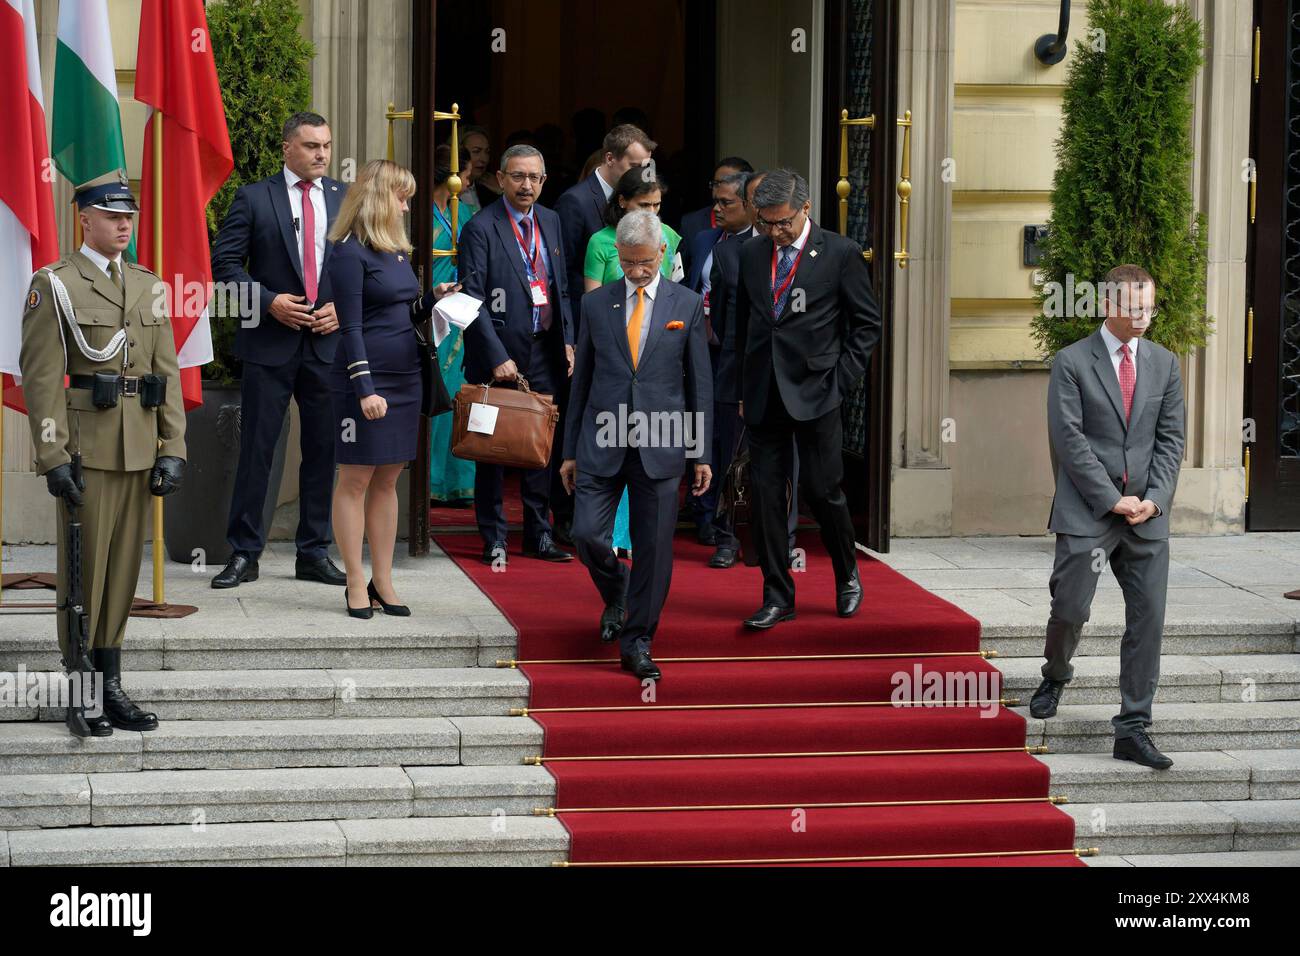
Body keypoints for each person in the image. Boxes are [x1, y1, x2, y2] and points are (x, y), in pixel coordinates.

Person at [20, 169, 186, 736]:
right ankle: (81, 687)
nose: (123, 225)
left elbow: (166, 371)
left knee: (122, 572)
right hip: (87, 449)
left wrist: (174, 446)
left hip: (139, 447)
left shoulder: (148, 284)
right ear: (83, 220)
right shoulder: (56, 283)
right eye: (113, 216)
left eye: (129, 216)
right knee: (84, 572)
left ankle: (110, 682)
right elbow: (41, 378)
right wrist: (53, 455)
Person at [1030, 265, 1185, 771]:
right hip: (1087, 510)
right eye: (1133, 308)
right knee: (1070, 607)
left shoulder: (1165, 364)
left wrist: (1154, 499)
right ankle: (1056, 673)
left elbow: (1170, 441)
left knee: (1150, 618)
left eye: (1149, 307)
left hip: (1146, 515)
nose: (1143, 317)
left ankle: (1133, 726)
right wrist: (1109, 498)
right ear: (1107, 306)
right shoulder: (1072, 361)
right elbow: (1068, 439)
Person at [561, 210, 712, 680]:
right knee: (585, 535)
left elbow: (699, 384)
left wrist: (701, 451)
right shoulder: (595, 304)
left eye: (645, 262)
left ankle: (639, 640)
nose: (638, 272)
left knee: (654, 549)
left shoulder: (685, 304)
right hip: (600, 437)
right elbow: (581, 380)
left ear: (662, 252)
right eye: (629, 263)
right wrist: (568, 450)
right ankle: (617, 590)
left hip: (662, 442)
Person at [734, 169, 880, 629]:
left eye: (783, 223)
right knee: (766, 496)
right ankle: (778, 594)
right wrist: (741, 386)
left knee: (823, 491)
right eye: (766, 223)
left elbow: (866, 325)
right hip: (763, 392)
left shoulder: (840, 253)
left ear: (806, 209)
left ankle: (846, 575)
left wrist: (841, 382)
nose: (775, 233)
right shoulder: (753, 253)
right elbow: (745, 325)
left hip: (818, 392)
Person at [209, 111, 348, 590]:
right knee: (258, 452)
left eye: (327, 146)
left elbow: (362, 269)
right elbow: (224, 266)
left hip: (328, 346)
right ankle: (245, 553)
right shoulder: (254, 197)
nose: (322, 155)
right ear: (287, 147)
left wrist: (342, 312)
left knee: (323, 452)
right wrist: (268, 303)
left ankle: (313, 552)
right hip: (269, 345)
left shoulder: (344, 198)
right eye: (312, 146)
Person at [325, 159, 458, 618]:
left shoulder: (396, 252)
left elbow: (401, 312)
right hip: (366, 379)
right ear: (380, 198)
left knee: (388, 480)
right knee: (356, 478)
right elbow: (352, 326)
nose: (406, 206)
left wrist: (433, 299)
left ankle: (383, 578)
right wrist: (365, 388)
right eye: (401, 197)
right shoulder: (347, 251)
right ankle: (355, 580)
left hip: (406, 378)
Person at [459, 144, 576, 566]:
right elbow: (472, 300)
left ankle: (538, 535)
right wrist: (494, 355)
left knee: (537, 445)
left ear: (543, 182)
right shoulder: (480, 228)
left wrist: (568, 340)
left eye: (535, 178)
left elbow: (560, 287)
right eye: (518, 176)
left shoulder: (552, 221)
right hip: (498, 357)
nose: (527, 185)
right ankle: (494, 538)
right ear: (501, 179)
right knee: (493, 449)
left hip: (545, 350)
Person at [583, 168, 683, 554]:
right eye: (645, 205)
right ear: (622, 202)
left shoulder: (669, 238)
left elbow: (676, 298)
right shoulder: (602, 243)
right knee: (591, 527)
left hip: (658, 387)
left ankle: (632, 556)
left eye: (658, 205)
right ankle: (612, 550)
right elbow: (592, 305)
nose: (653, 212)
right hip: (613, 375)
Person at [429, 144, 477, 508]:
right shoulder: (417, 216)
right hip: (429, 311)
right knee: (435, 394)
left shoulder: (469, 214)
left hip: (461, 312)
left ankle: (458, 481)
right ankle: (429, 480)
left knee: (460, 395)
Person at [678, 156, 753, 277]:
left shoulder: (763, 242)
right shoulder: (703, 237)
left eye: (726, 202)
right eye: (716, 183)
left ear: (748, 202)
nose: (717, 208)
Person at [461, 125, 495, 213]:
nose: (484, 159)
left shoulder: (489, 191)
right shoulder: (446, 191)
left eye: (487, 152)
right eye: (476, 151)